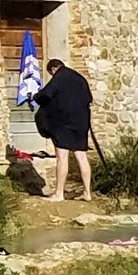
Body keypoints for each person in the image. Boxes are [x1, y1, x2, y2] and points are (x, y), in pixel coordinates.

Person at [36, 55, 95, 204]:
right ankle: (87, 193)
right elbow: (89, 99)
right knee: (81, 157)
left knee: (62, 157)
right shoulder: (80, 78)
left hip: (64, 124)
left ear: (53, 69)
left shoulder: (60, 76)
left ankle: (59, 194)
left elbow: (46, 94)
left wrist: (36, 97)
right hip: (82, 123)